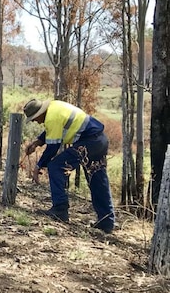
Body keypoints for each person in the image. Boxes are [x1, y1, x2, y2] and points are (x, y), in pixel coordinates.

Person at [23, 98, 116, 233]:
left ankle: (60, 209)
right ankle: (107, 221)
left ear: (40, 114)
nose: (34, 121)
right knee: (97, 179)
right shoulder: (54, 108)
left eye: (34, 118)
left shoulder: (51, 117)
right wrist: (38, 142)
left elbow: (53, 148)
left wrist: (38, 166)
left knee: (56, 167)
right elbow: (54, 129)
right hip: (99, 140)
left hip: (89, 142)